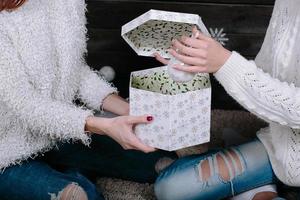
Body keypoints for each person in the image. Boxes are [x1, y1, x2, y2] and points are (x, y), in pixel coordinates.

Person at [0, 0, 176, 199]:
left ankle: (74, 171)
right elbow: (26, 104)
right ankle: (74, 177)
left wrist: (130, 110)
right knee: (83, 194)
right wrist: (101, 125)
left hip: (59, 133)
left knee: (159, 162)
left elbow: (75, 72)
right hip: (7, 151)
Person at [153, 0, 300, 199]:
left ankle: (251, 190)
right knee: (170, 189)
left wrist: (223, 63)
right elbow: (265, 70)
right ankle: (257, 189)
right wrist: (202, 58)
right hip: (283, 150)